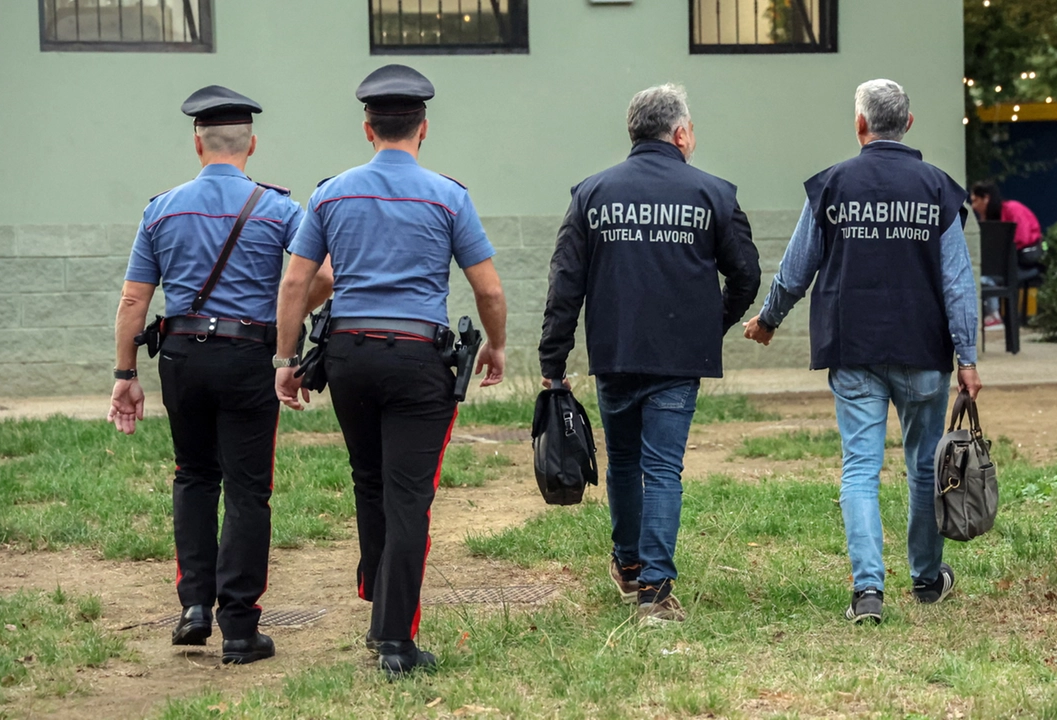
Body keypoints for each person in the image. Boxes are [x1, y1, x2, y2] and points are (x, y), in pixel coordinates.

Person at [273, 64, 507, 678]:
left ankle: (380, 605)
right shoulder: (449, 196)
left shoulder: (331, 193)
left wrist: (286, 359)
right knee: (410, 497)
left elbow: (298, 279)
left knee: (369, 481)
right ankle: (396, 641)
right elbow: (489, 290)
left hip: (348, 354)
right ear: (422, 129)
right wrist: (497, 346)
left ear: (367, 128)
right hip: (417, 360)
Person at [743, 79, 982, 625]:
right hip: (923, 352)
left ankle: (868, 592)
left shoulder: (832, 185)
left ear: (860, 125)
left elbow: (797, 265)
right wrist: (966, 358)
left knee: (859, 468)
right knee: (925, 467)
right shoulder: (938, 188)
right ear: (910, 123)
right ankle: (925, 580)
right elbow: (957, 282)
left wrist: (769, 318)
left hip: (853, 349)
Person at [108, 85, 332, 664]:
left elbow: (134, 301)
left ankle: (192, 609)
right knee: (249, 490)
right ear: (250, 144)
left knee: (194, 477)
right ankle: (238, 627)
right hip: (248, 357)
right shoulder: (280, 208)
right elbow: (325, 278)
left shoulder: (161, 208)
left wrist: (124, 373)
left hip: (181, 356)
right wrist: (289, 322)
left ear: (198, 144)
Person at [539, 84, 761, 625]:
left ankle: (629, 565)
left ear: (633, 132)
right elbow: (747, 275)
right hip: (679, 360)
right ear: (681, 133)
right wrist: (711, 325)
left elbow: (565, 283)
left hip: (615, 355)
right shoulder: (715, 193)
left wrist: (554, 360)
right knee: (663, 468)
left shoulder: (591, 194)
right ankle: (656, 594)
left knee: (626, 462)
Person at [970, 182, 1042, 329]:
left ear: (986, 199)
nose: (973, 206)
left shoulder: (1013, 209)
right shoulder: (989, 217)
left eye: (975, 200)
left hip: (1024, 260)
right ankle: (991, 314)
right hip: (1003, 262)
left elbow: (1021, 239)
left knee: (986, 277)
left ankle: (994, 315)